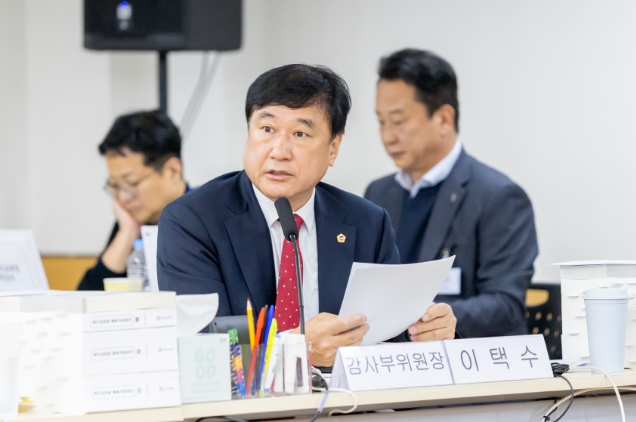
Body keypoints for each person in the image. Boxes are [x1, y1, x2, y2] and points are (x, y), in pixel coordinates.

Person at [157, 64, 457, 367]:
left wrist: (427, 330)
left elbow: (389, 334)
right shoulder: (192, 221)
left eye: (300, 134)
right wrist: (294, 349)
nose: (279, 151)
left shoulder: (367, 223)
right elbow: (203, 346)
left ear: (333, 148)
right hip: (244, 398)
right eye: (267, 129)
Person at [365, 49, 538, 338]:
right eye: (381, 122)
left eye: (398, 121)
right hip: (387, 355)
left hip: (462, 356)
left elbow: (506, 305)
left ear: (444, 119)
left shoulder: (498, 196)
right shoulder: (379, 193)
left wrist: (444, 318)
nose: (387, 136)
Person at [78, 110, 190, 291]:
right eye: (114, 185)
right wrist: (128, 232)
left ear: (173, 171)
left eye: (131, 183)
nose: (123, 198)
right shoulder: (135, 220)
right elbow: (88, 297)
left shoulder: (204, 218)